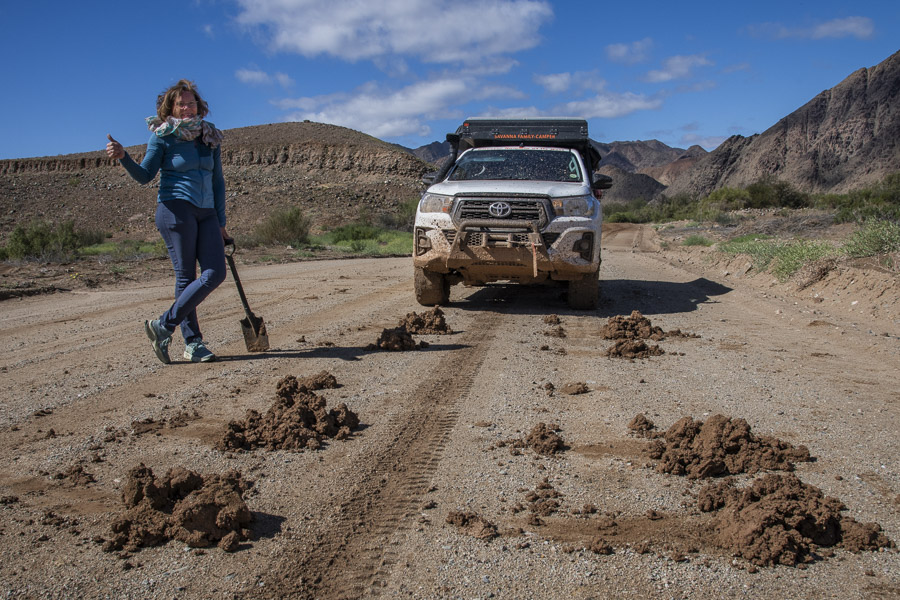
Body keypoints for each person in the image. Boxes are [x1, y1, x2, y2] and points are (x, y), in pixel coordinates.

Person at [106, 79, 228, 364]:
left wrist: (221, 223)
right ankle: (193, 343)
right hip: (175, 209)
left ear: (199, 105)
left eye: (191, 103)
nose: (187, 108)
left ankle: (162, 326)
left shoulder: (209, 137)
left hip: (207, 212)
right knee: (186, 277)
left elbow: (218, 181)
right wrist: (124, 157)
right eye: (181, 104)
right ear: (170, 108)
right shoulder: (162, 137)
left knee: (215, 273)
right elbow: (145, 176)